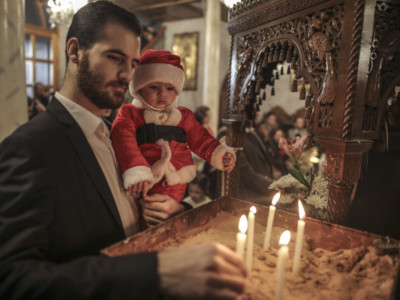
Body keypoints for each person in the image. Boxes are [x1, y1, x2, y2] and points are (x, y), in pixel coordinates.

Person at [0, 2, 246, 299]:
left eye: (132, 64)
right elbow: (13, 280)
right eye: (115, 58)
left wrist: (174, 212)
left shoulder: (116, 130)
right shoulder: (30, 146)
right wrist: (155, 272)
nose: (128, 75)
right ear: (75, 51)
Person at [111, 49, 236, 212]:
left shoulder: (183, 115)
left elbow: (200, 139)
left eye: (170, 88)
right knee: (147, 220)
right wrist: (137, 170)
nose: (162, 93)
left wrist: (220, 153)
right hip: (145, 181)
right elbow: (124, 139)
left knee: (171, 221)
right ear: (139, 88)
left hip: (178, 180)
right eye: (154, 87)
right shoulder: (130, 113)